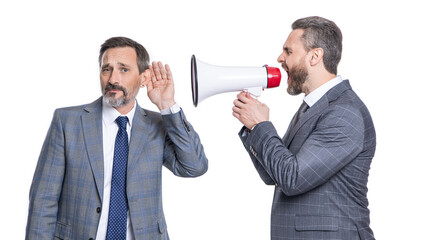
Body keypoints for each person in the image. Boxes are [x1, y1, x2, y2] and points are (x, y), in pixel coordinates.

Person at [25, 36, 208, 240]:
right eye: (106, 69)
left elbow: (194, 166)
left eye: (123, 69)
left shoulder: (157, 125)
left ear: (144, 78)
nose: (113, 79)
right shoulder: (67, 121)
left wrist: (167, 105)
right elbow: (43, 200)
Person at [232, 16, 376, 239]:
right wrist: (253, 128)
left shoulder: (344, 112)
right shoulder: (311, 108)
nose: (280, 58)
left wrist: (261, 125)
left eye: (288, 51)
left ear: (315, 56)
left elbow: (293, 179)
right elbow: (274, 175)